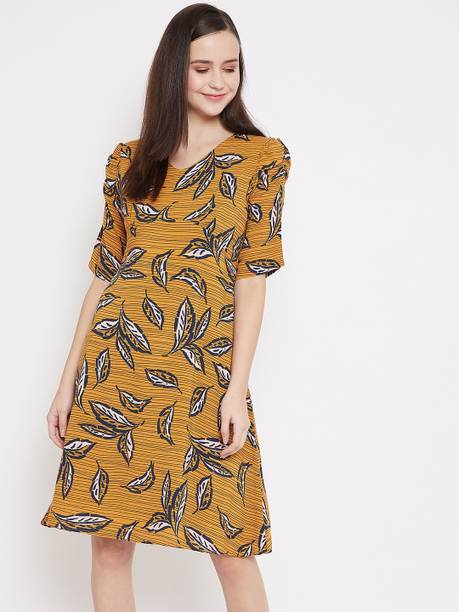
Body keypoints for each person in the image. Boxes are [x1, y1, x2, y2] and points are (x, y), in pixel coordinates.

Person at [40, 4, 292, 611]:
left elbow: (252, 278)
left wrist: (236, 391)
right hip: (116, 369)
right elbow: (105, 277)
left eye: (230, 67)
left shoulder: (260, 159)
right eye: (202, 68)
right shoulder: (128, 162)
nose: (218, 80)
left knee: (232, 546)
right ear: (174, 70)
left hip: (203, 374)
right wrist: (67, 383)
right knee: (109, 545)